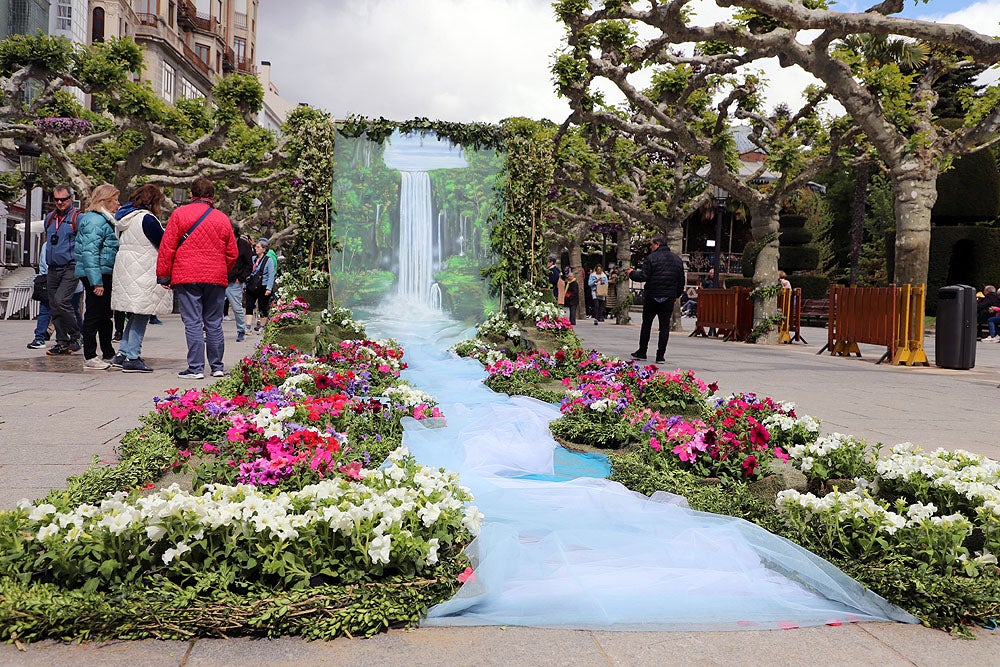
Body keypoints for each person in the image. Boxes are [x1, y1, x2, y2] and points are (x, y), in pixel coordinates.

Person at [156, 177, 237, 380]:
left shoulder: (179, 214)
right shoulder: (222, 218)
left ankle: (196, 368)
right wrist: (221, 270)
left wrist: (164, 275)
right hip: (215, 277)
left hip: (187, 275)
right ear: (212, 196)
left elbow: (168, 247)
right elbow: (232, 253)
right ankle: (217, 366)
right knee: (214, 322)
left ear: (192, 194)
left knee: (192, 322)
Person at [110, 184, 172, 373]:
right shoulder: (147, 219)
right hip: (143, 270)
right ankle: (132, 356)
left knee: (135, 313)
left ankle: (122, 353)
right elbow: (163, 243)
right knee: (141, 314)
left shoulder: (124, 219)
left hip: (126, 270)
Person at [75, 184, 121, 369]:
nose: (118, 203)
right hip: (97, 272)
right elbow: (90, 252)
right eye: (115, 200)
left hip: (103, 271)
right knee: (94, 313)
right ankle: (90, 355)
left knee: (104, 314)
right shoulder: (95, 221)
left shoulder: (103, 219)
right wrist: (96, 282)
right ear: (105, 201)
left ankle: (108, 352)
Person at [625, 236, 685, 364]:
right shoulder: (677, 260)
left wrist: (631, 273)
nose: (651, 248)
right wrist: (676, 295)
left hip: (652, 296)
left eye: (651, 245)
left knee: (646, 324)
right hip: (668, 297)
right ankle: (660, 355)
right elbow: (681, 281)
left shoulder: (651, 258)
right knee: (664, 327)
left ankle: (642, 352)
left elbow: (643, 276)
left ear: (657, 244)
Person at [43, 185, 83, 356]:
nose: (59, 202)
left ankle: (76, 335)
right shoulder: (50, 218)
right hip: (52, 267)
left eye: (63, 199)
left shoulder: (78, 218)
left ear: (71, 198)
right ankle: (61, 341)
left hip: (70, 266)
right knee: (54, 305)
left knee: (61, 301)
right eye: (56, 199)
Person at [227, 224, 254, 342]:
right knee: (214, 308)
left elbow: (249, 265)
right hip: (220, 279)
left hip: (235, 281)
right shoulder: (222, 242)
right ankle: (210, 331)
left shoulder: (244, 245)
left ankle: (241, 331)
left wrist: (241, 278)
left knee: (237, 307)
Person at [246, 237, 278, 332]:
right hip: (251, 285)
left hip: (263, 286)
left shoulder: (269, 260)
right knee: (249, 305)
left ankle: (263, 326)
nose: (256, 249)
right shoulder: (253, 259)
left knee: (262, 306)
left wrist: (269, 288)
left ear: (264, 249)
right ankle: (247, 326)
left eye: (258, 247)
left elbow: (271, 275)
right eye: (256, 247)